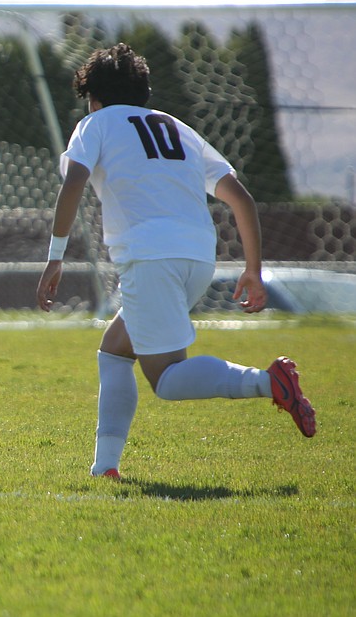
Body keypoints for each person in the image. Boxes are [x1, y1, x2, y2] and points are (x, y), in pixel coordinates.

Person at [36, 42, 315, 480]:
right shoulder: (178, 128)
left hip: (151, 258)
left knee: (167, 380)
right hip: (197, 258)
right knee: (114, 351)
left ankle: (269, 382)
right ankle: (105, 467)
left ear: (93, 97)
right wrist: (252, 270)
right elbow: (240, 197)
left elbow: (73, 182)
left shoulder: (94, 124)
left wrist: (55, 258)